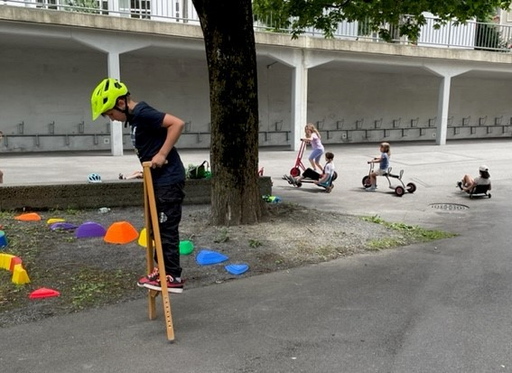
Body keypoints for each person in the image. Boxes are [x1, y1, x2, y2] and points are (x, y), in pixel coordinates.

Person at [90, 77, 186, 294]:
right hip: (158, 179)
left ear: (121, 103)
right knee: (155, 228)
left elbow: (177, 124)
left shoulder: (142, 113)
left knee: (165, 228)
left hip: (169, 181)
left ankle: (172, 275)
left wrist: (161, 155)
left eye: (110, 114)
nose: (111, 119)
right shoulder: (135, 119)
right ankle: (161, 269)